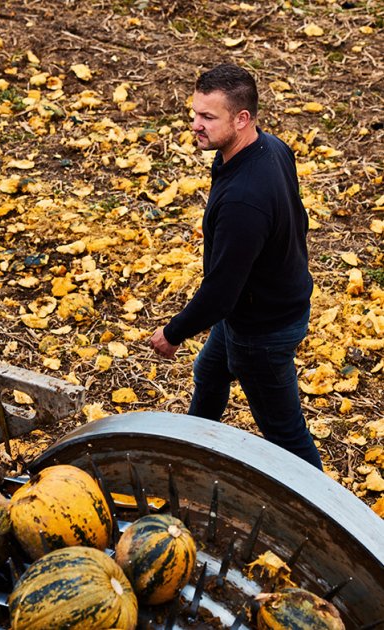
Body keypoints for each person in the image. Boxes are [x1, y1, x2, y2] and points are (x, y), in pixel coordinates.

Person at [149, 63, 322, 470]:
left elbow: (221, 293)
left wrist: (173, 333)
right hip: (260, 306)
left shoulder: (244, 200)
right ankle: (189, 455)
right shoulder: (272, 148)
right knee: (209, 372)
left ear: (242, 119)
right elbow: (299, 221)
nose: (195, 124)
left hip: (261, 331)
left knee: (286, 435)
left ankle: (328, 517)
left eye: (208, 117)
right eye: (194, 113)